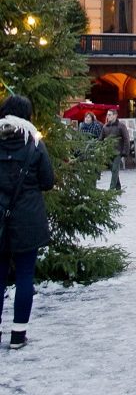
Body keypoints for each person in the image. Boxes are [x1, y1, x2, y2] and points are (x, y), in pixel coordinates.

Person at [0, 95, 54, 349]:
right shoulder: (34, 142)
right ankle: (18, 335)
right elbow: (47, 181)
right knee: (24, 276)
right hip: (28, 218)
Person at [100, 108, 131, 190]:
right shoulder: (105, 126)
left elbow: (126, 139)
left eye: (109, 115)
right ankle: (118, 187)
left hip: (118, 152)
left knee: (114, 169)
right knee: (113, 170)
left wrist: (125, 152)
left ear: (115, 115)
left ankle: (111, 189)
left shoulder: (121, 126)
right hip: (108, 152)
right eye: (107, 114)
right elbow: (101, 139)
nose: (108, 116)